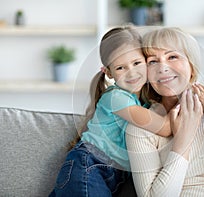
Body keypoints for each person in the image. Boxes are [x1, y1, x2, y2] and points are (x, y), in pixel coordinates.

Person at [125, 27, 204, 197]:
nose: (162, 68)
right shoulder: (141, 128)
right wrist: (183, 138)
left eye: (172, 56)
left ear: (192, 67)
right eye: (152, 61)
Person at [49, 26, 175, 197]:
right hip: (89, 167)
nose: (131, 72)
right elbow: (166, 127)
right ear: (108, 72)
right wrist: (192, 108)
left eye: (136, 63)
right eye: (120, 68)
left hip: (112, 176)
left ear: (147, 61)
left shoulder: (144, 104)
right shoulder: (116, 98)